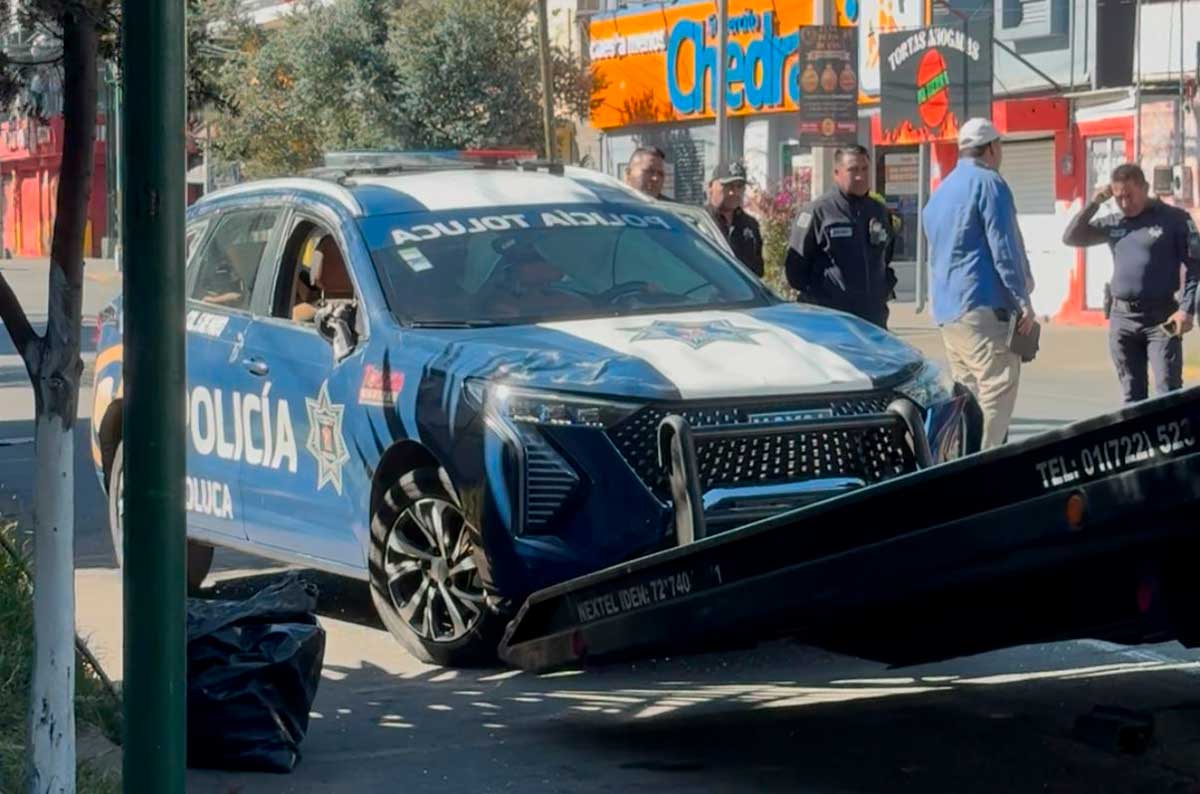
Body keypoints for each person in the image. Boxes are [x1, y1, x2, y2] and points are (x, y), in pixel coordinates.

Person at [921, 117, 1035, 450]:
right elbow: (1004, 247)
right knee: (997, 387)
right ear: (991, 148)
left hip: (948, 310)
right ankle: (985, 468)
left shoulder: (940, 193)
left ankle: (959, 461)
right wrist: (1022, 299)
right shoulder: (989, 183)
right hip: (983, 305)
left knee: (966, 392)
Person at [1062, 163, 1200, 403]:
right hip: (1122, 320)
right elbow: (1072, 237)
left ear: (1145, 188)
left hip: (1162, 320)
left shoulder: (1174, 219)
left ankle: (1169, 441)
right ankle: (1141, 442)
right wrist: (1095, 203)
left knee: (1168, 392)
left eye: (1130, 196)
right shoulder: (1115, 222)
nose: (1124, 203)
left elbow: (1195, 266)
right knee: (1132, 396)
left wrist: (1186, 309)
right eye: (1118, 198)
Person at [783, 145, 896, 327]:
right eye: (852, 170)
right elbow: (795, 272)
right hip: (832, 320)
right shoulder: (817, 213)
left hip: (873, 320)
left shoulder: (879, 211)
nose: (860, 176)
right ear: (836, 173)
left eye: (864, 169)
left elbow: (887, 255)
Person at [705, 161, 764, 277]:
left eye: (739, 186)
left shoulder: (750, 225)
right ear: (711, 186)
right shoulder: (699, 221)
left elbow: (758, 270)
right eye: (728, 185)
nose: (734, 192)